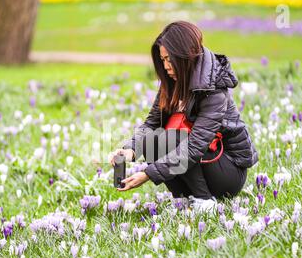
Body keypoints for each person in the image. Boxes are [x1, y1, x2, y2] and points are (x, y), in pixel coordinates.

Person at [109, 20, 258, 211]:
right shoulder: (172, 82)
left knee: (173, 139)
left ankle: (205, 202)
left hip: (227, 171)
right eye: (162, 60)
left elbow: (194, 146)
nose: (166, 66)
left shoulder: (213, 90)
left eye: (170, 59)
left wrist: (148, 174)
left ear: (185, 55)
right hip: (201, 161)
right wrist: (130, 149)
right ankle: (184, 201)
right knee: (151, 141)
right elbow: (152, 123)